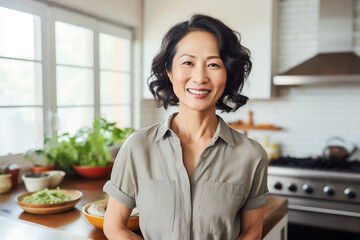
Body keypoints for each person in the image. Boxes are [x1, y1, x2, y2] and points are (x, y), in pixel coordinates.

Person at [103, 14, 269, 240]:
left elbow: (252, 231)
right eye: (188, 63)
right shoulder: (138, 147)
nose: (200, 77)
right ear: (169, 71)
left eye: (213, 64)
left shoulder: (251, 155)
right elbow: (114, 227)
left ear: (227, 74)